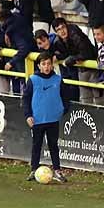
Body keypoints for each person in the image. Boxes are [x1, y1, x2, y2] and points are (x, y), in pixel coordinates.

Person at [23, 52, 69, 183]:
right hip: (37, 120)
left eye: (49, 64)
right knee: (36, 144)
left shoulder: (58, 80)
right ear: (39, 66)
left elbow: (66, 96)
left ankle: (57, 170)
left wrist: (63, 109)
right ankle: (34, 169)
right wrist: (28, 115)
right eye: (44, 64)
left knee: (53, 145)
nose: (47, 66)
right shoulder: (33, 80)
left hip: (53, 119)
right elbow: (26, 99)